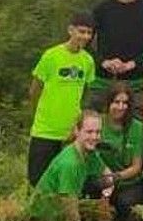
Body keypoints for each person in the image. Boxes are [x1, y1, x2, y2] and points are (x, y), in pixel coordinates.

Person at [27, 13, 98, 186]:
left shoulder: (87, 61)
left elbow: (87, 92)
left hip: (71, 132)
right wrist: (38, 115)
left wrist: (79, 123)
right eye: (81, 31)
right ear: (70, 30)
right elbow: (35, 89)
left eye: (89, 33)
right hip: (45, 130)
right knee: (38, 180)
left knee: (66, 179)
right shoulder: (51, 55)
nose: (85, 37)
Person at [26, 109, 115, 221]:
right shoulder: (70, 163)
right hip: (45, 217)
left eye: (98, 132)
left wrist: (106, 197)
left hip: (64, 207)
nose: (94, 137)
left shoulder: (90, 152)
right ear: (77, 131)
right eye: (89, 132)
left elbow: (108, 175)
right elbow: (68, 203)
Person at [97, 81, 143, 221]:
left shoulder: (136, 128)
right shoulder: (97, 123)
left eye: (125, 103)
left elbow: (136, 167)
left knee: (123, 203)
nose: (121, 107)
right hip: (100, 179)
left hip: (129, 182)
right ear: (108, 103)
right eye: (116, 102)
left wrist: (114, 178)